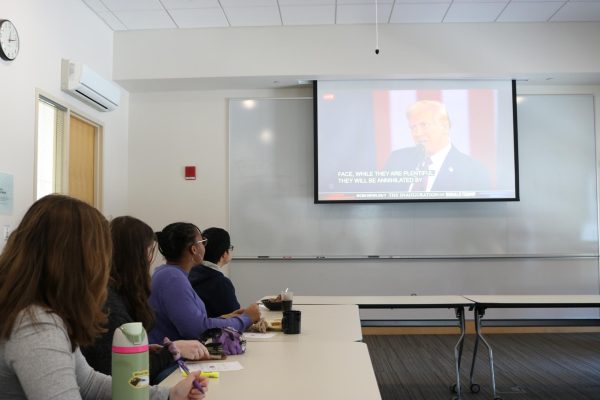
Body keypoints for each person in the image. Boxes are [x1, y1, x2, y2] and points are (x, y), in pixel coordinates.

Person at [0, 194, 207, 400]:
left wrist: (169, 395)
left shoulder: (44, 312)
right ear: (77, 258)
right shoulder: (36, 325)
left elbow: (89, 383)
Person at [82, 216, 210, 385]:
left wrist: (150, 352)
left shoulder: (114, 293)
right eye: (148, 252)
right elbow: (127, 376)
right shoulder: (110, 305)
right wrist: (171, 352)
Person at [148, 222, 261, 343]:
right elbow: (198, 329)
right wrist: (246, 319)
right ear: (194, 249)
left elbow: (193, 321)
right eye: (203, 242)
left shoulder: (167, 273)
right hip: (174, 358)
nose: (205, 247)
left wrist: (225, 318)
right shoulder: (173, 278)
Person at [385, 100, 491, 192]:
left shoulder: (473, 170)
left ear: (445, 126)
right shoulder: (397, 159)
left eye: (424, 125)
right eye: (413, 127)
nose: (417, 133)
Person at [189, 227, 241, 318]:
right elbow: (236, 317)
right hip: (215, 331)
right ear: (224, 253)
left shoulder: (189, 273)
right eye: (230, 247)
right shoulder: (221, 283)